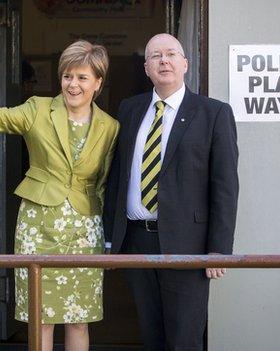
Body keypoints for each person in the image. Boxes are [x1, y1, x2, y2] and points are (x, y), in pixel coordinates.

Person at [0, 36, 119, 351]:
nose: (72, 84)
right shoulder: (38, 108)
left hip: (85, 231)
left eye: (82, 78)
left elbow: (104, 183)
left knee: (79, 317)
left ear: (98, 83)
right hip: (38, 227)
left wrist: (109, 239)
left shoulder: (110, 126)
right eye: (67, 76)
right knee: (42, 316)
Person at [103, 33, 239, 351]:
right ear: (146, 68)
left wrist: (218, 249)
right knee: (151, 335)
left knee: (184, 338)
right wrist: (110, 238)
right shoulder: (129, 109)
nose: (164, 60)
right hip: (137, 240)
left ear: (185, 64)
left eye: (171, 54)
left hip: (188, 245)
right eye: (155, 56)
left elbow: (225, 186)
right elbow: (117, 177)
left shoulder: (213, 113)